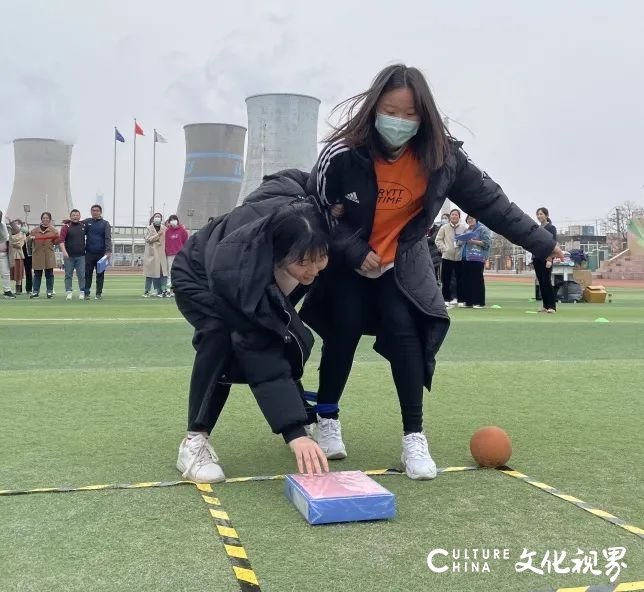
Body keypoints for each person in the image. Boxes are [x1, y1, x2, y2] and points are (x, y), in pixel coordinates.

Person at [299, 63, 564, 480]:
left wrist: (543, 243)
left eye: (410, 114)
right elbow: (312, 211)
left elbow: (492, 204)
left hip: (401, 260)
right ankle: (327, 417)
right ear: (373, 109)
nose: (399, 122)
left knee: (407, 332)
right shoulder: (342, 154)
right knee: (343, 329)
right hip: (349, 262)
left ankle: (413, 439)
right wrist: (351, 249)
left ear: (424, 117)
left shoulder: (443, 157)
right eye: (391, 110)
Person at [172, 183, 330, 483]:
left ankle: (301, 411)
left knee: (286, 332)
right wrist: (293, 432)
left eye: (320, 258)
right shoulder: (242, 273)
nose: (312, 271)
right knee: (222, 338)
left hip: (255, 265)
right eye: (302, 262)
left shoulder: (311, 215)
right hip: (198, 274)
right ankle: (194, 441)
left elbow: (290, 179)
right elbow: (259, 346)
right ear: (279, 254)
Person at [457, 215, 492, 308]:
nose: (470, 220)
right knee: (466, 280)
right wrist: (459, 239)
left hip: (477, 258)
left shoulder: (482, 229)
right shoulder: (466, 230)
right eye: (468, 219)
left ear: (476, 220)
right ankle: (468, 301)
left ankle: (479, 302)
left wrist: (474, 241)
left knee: (477, 280)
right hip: (465, 257)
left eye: (472, 218)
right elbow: (460, 243)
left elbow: (487, 243)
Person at [435, 208, 467, 305]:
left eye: (456, 215)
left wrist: (461, 243)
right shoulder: (444, 228)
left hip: (459, 258)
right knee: (446, 279)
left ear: (459, 217)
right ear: (450, 216)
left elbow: (466, 240)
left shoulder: (463, 228)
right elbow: (438, 240)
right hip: (447, 257)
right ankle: (446, 299)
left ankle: (461, 299)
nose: (454, 216)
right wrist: (444, 248)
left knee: (460, 279)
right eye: (452, 214)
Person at [84, 204, 112, 300]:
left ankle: (98, 293)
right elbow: (77, 226)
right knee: (87, 274)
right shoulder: (87, 222)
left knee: (100, 274)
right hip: (89, 253)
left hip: (101, 254)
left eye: (96, 210)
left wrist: (108, 252)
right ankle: (86, 293)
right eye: (93, 210)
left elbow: (108, 238)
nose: (94, 212)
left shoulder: (105, 223)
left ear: (100, 212)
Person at [29, 212, 59, 299]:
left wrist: (58, 238)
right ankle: (35, 291)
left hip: (48, 255)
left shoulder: (54, 231)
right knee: (37, 274)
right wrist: (30, 238)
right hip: (37, 255)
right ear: (41, 219)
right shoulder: (34, 231)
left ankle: (49, 291)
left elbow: (56, 242)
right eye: (44, 218)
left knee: (49, 274)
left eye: (47, 218)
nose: (45, 219)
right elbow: (28, 242)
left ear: (50, 219)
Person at [533, 207, 558, 313]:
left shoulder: (551, 228)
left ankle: (552, 306)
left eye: (541, 214)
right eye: (538, 214)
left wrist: (550, 259)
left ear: (546, 215)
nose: (539, 216)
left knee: (547, 281)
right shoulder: (537, 228)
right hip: (537, 258)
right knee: (541, 283)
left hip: (546, 258)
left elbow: (552, 244)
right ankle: (545, 305)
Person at [59, 209, 86, 300]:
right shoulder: (66, 227)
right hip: (69, 256)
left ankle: (82, 292)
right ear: (70, 216)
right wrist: (64, 252)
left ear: (79, 216)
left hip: (81, 256)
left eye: (77, 215)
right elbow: (61, 241)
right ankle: (69, 292)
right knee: (68, 275)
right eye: (73, 215)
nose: (75, 217)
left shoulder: (83, 226)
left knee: (81, 275)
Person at [142, 213, 168, 297]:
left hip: (162, 253)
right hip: (152, 253)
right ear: (153, 218)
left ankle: (162, 290)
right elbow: (148, 239)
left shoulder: (165, 228)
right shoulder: (149, 228)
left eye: (159, 217)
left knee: (163, 273)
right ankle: (147, 291)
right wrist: (158, 235)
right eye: (156, 217)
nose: (157, 218)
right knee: (150, 273)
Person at [164, 214, 189, 294]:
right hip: (170, 255)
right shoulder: (167, 231)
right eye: (171, 220)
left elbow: (185, 242)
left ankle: (179, 288)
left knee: (179, 272)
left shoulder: (182, 230)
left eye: (174, 219)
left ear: (177, 220)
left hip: (179, 254)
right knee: (170, 272)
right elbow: (165, 242)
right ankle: (170, 290)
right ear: (169, 222)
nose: (173, 221)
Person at [0, 210, 16, 298]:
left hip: (4, 255)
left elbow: (17, 231)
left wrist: (11, 222)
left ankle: (7, 291)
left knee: (6, 273)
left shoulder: (6, 226)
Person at [8, 219, 26, 295]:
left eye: (18, 224)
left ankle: (18, 290)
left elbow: (20, 245)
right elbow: (9, 242)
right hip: (11, 256)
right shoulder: (9, 234)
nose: (16, 225)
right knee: (9, 273)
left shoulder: (22, 234)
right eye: (15, 224)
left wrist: (13, 243)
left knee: (18, 274)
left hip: (19, 256)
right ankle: (8, 289)